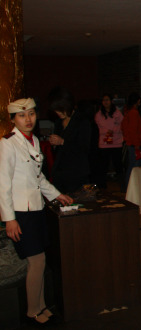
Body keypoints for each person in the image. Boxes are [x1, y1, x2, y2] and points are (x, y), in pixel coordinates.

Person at [0, 98, 73, 325]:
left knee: (40, 260)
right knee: (37, 260)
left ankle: (41, 306)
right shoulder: (8, 143)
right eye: (22, 115)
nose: (28, 119)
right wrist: (9, 219)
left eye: (31, 114)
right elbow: (3, 184)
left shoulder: (32, 141)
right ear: (13, 119)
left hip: (37, 209)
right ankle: (32, 311)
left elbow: (38, 177)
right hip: (21, 212)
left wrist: (56, 194)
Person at [48, 86, 92, 194]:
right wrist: (54, 144)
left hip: (76, 173)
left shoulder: (82, 121)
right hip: (60, 173)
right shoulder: (58, 123)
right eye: (56, 110)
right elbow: (58, 151)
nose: (58, 112)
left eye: (60, 109)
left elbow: (84, 148)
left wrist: (63, 142)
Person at [94, 94, 124, 190]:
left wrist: (113, 130)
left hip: (116, 143)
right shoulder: (99, 114)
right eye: (104, 100)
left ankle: (122, 186)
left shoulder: (117, 113)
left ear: (111, 101)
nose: (105, 102)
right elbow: (98, 127)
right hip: (104, 144)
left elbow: (122, 124)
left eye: (107, 100)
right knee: (103, 166)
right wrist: (107, 131)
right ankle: (102, 187)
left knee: (118, 166)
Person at [121, 92, 141, 191]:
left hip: (131, 143)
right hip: (134, 144)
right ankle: (131, 187)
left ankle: (129, 187)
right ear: (138, 101)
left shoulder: (128, 112)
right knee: (134, 167)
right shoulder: (133, 113)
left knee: (132, 166)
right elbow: (133, 130)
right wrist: (137, 145)